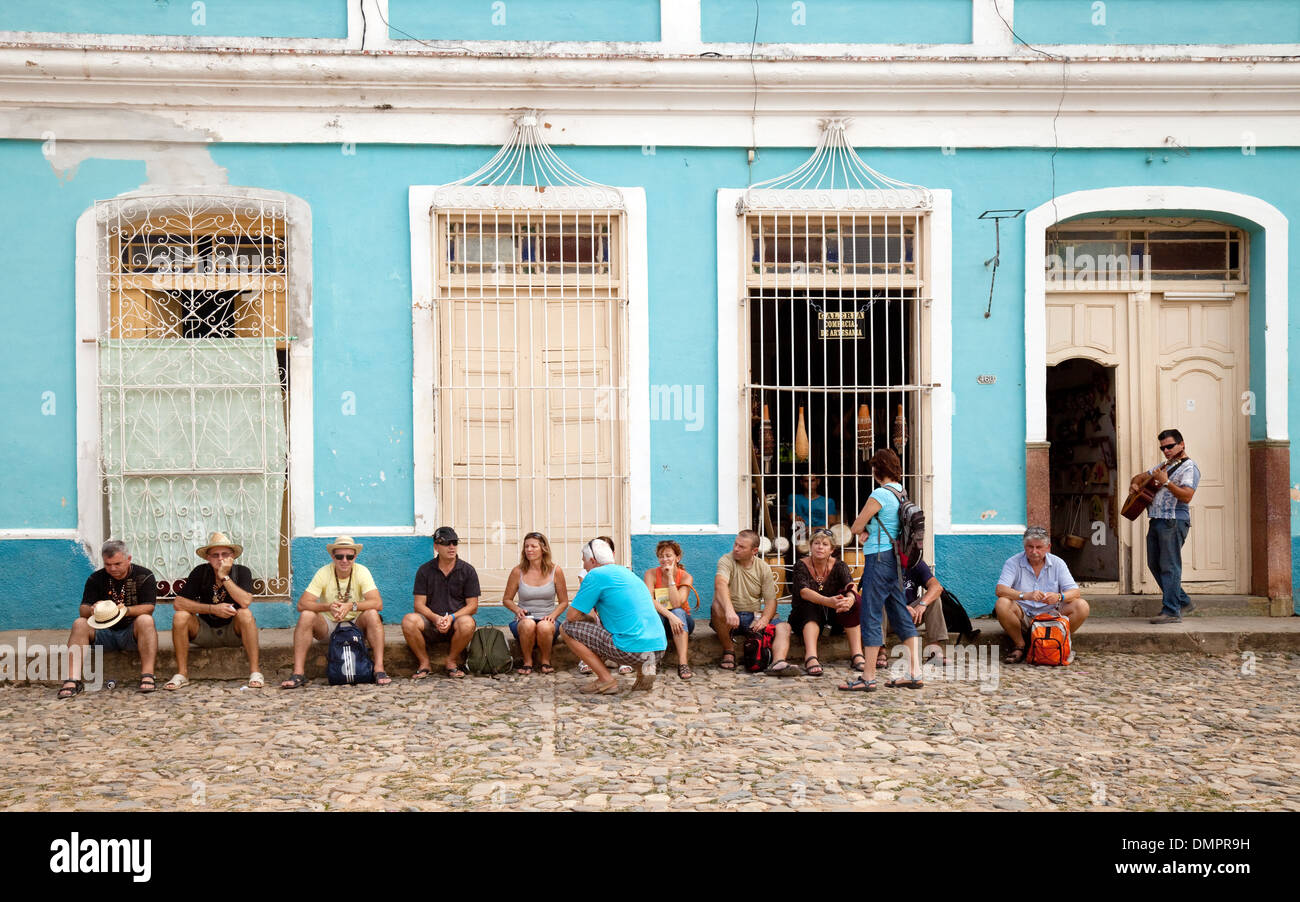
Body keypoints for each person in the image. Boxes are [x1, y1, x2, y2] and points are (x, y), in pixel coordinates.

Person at [837, 449, 922, 691]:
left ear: (877, 471)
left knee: (871, 614)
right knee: (898, 611)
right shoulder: (901, 492)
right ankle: (915, 672)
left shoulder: (880, 494)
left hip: (878, 558)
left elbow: (855, 526)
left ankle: (868, 676)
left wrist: (862, 530)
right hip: (894, 559)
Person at [561, 538, 666, 693]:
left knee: (566, 628)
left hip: (630, 651)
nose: (584, 566)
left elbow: (572, 616)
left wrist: (591, 620)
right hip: (658, 648)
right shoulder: (626, 572)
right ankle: (645, 669)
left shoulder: (595, 574)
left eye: (584, 561)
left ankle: (606, 680)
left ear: (592, 560)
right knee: (622, 627)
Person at [280, 537, 387, 688]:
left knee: (372, 613)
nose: (344, 560)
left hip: (356, 625)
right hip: (329, 626)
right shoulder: (324, 572)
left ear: (355, 557)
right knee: (306, 615)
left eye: (349, 556)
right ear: (333, 557)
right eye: (339, 556)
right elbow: (302, 604)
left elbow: (377, 603)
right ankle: (298, 673)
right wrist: (328, 607)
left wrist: (351, 606)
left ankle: (379, 669)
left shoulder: (362, 571)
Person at [59, 539, 158, 697]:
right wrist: (93, 610)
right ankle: (72, 680)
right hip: (102, 632)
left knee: (146, 620)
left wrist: (123, 611)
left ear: (129, 559)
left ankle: (148, 675)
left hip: (130, 634)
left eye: (117, 564)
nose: (112, 568)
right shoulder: (96, 578)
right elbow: (82, 609)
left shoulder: (144, 576)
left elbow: (149, 607)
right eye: (108, 564)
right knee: (79, 623)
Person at [168, 532, 263, 690]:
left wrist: (224, 576)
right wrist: (212, 609)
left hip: (234, 632)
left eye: (225, 554)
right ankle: (182, 674)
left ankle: (255, 672)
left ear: (232, 556)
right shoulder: (201, 572)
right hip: (205, 631)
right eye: (215, 555)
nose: (220, 559)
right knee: (180, 616)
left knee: (245, 614)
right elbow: (179, 603)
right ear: (208, 558)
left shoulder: (242, 571)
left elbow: (246, 601)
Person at [1130, 429, 1201, 624]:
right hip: (1156, 519)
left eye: (1170, 446)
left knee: (1169, 566)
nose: (1166, 450)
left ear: (1181, 444)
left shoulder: (1189, 467)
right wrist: (1134, 485)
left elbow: (1187, 495)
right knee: (1154, 564)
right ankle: (1183, 601)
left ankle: (1171, 611)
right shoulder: (1164, 465)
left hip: (1173, 520)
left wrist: (1167, 482)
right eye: (1163, 448)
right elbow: (1138, 477)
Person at [994, 526, 1091, 664]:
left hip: (1051, 616)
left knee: (1082, 606)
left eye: (1039, 547)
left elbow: (1075, 592)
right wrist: (1025, 595)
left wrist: (1059, 597)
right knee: (1002, 603)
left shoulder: (1058, 563)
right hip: (1023, 616)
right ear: (1024, 546)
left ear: (1048, 547)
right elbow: (1000, 590)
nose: (1034, 551)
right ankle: (1020, 646)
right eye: (1030, 547)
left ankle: (1056, 641)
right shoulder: (1013, 562)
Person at [710, 530, 795, 675]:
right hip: (729, 619)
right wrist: (729, 610)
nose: (736, 548)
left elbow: (771, 601)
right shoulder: (726, 560)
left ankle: (778, 662)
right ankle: (729, 651)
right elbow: (720, 584)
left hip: (752, 618)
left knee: (784, 627)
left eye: (741, 547)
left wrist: (764, 619)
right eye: (736, 544)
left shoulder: (763, 568)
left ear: (754, 551)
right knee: (716, 606)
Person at [403, 526, 480, 679]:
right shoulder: (425, 570)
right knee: (408, 621)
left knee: (468, 623)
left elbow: (473, 606)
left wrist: (451, 618)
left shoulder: (468, 570)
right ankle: (424, 663)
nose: (451, 547)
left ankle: (451, 661)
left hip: (455, 622)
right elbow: (418, 604)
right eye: (446, 543)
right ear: (436, 546)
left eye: (454, 543)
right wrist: (436, 618)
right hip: (431, 623)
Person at [787, 528, 862, 676]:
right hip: (803, 619)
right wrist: (827, 601)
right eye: (816, 543)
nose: (820, 547)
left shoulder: (840, 565)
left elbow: (850, 585)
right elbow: (803, 591)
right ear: (810, 546)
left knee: (853, 603)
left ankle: (857, 654)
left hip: (832, 619)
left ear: (832, 549)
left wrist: (850, 599)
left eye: (825, 544)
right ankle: (811, 656)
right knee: (810, 604)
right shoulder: (800, 565)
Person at [503, 531, 569, 675]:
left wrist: (553, 616)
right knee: (528, 624)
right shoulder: (517, 571)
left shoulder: (555, 571)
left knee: (544, 626)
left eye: (533, 546)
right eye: (526, 547)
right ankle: (528, 662)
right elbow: (507, 599)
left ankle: (545, 661)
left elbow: (564, 601)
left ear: (543, 549)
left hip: (548, 619)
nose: (529, 550)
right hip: (524, 619)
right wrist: (517, 610)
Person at [879, 557, 951, 669]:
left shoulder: (916, 563)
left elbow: (937, 587)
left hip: (911, 616)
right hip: (887, 618)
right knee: (879, 604)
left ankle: (934, 651)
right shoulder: (882, 563)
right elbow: (876, 594)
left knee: (934, 599)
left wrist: (922, 604)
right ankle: (880, 651)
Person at [642, 540, 696, 680]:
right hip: (662, 620)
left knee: (677, 612)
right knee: (655, 614)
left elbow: (678, 603)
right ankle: (651, 660)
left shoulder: (685, 576)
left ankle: (683, 663)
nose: (664, 559)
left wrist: (671, 577)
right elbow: (649, 600)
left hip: (682, 622)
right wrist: (669, 616)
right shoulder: (651, 574)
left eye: (668, 555)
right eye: (661, 556)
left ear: (677, 558)